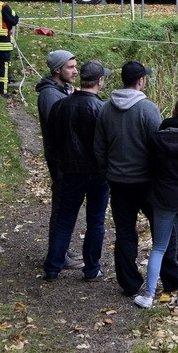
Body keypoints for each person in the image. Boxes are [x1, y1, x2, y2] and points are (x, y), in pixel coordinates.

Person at [94, 61, 178, 298]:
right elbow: (159, 146)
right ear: (141, 81)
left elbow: (99, 147)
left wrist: (106, 171)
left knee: (124, 232)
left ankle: (129, 283)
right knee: (163, 232)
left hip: (118, 182)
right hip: (147, 182)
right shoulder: (148, 109)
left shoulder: (106, 109)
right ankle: (171, 281)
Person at [134, 96, 178, 309]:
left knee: (159, 248)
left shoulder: (157, 138)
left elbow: (151, 167)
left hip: (163, 198)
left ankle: (147, 297)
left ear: (173, 112)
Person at [43, 60, 110, 282]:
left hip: (69, 171)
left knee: (65, 219)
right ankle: (91, 269)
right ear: (99, 81)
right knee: (96, 221)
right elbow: (106, 144)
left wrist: (59, 165)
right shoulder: (101, 109)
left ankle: (52, 266)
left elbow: (51, 140)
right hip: (97, 173)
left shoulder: (61, 106)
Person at [35, 50, 84, 270]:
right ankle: (57, 253)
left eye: (75, 67)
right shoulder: (49, 95)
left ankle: (61, 248)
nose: (75, 71)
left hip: (66, 158)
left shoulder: (60, 90)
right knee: (61, 207)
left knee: (66, 205)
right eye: (70, 68)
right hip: (60, 160)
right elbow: (60, 127)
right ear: (57, 70)